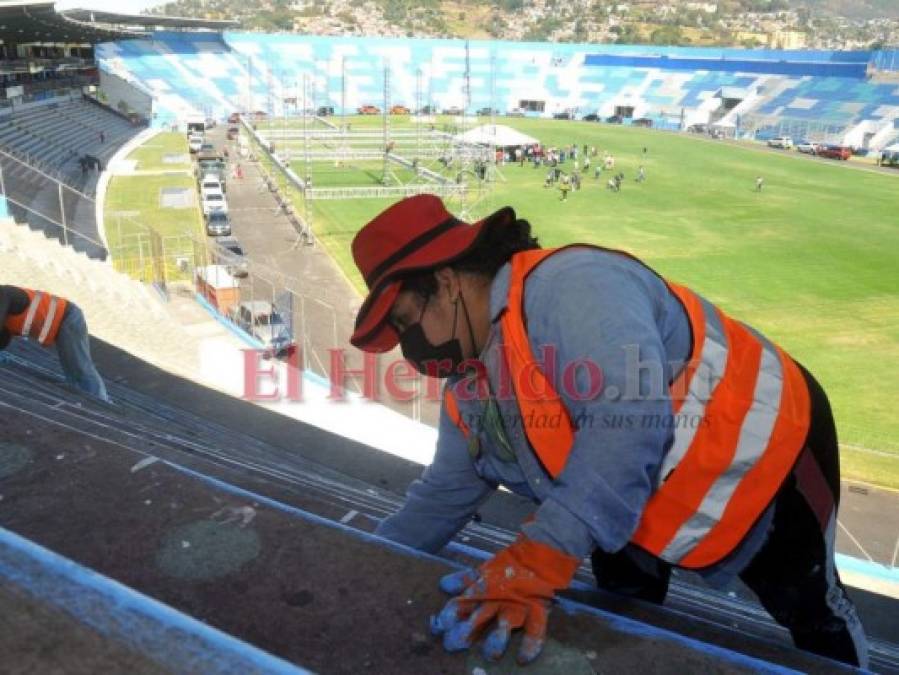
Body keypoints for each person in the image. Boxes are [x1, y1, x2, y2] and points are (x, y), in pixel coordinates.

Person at [349, 195, 867, 669]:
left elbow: (630, 420)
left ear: (446, 281)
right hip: (633, 498)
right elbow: (445, 493)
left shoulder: (575, 284)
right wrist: (362, 561)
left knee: (810, 609)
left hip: (768, 450)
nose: (406, 347)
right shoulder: (470, 384)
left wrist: (539, 557)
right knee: (625, 597)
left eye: (405, 320)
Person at [1, 286, 109, 402]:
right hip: (62, 322)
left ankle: (102, 402)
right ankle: (95, 400)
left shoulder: (3, 295)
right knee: (74, 373)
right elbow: (3, 339)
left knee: (80, 369)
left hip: (68, 318)